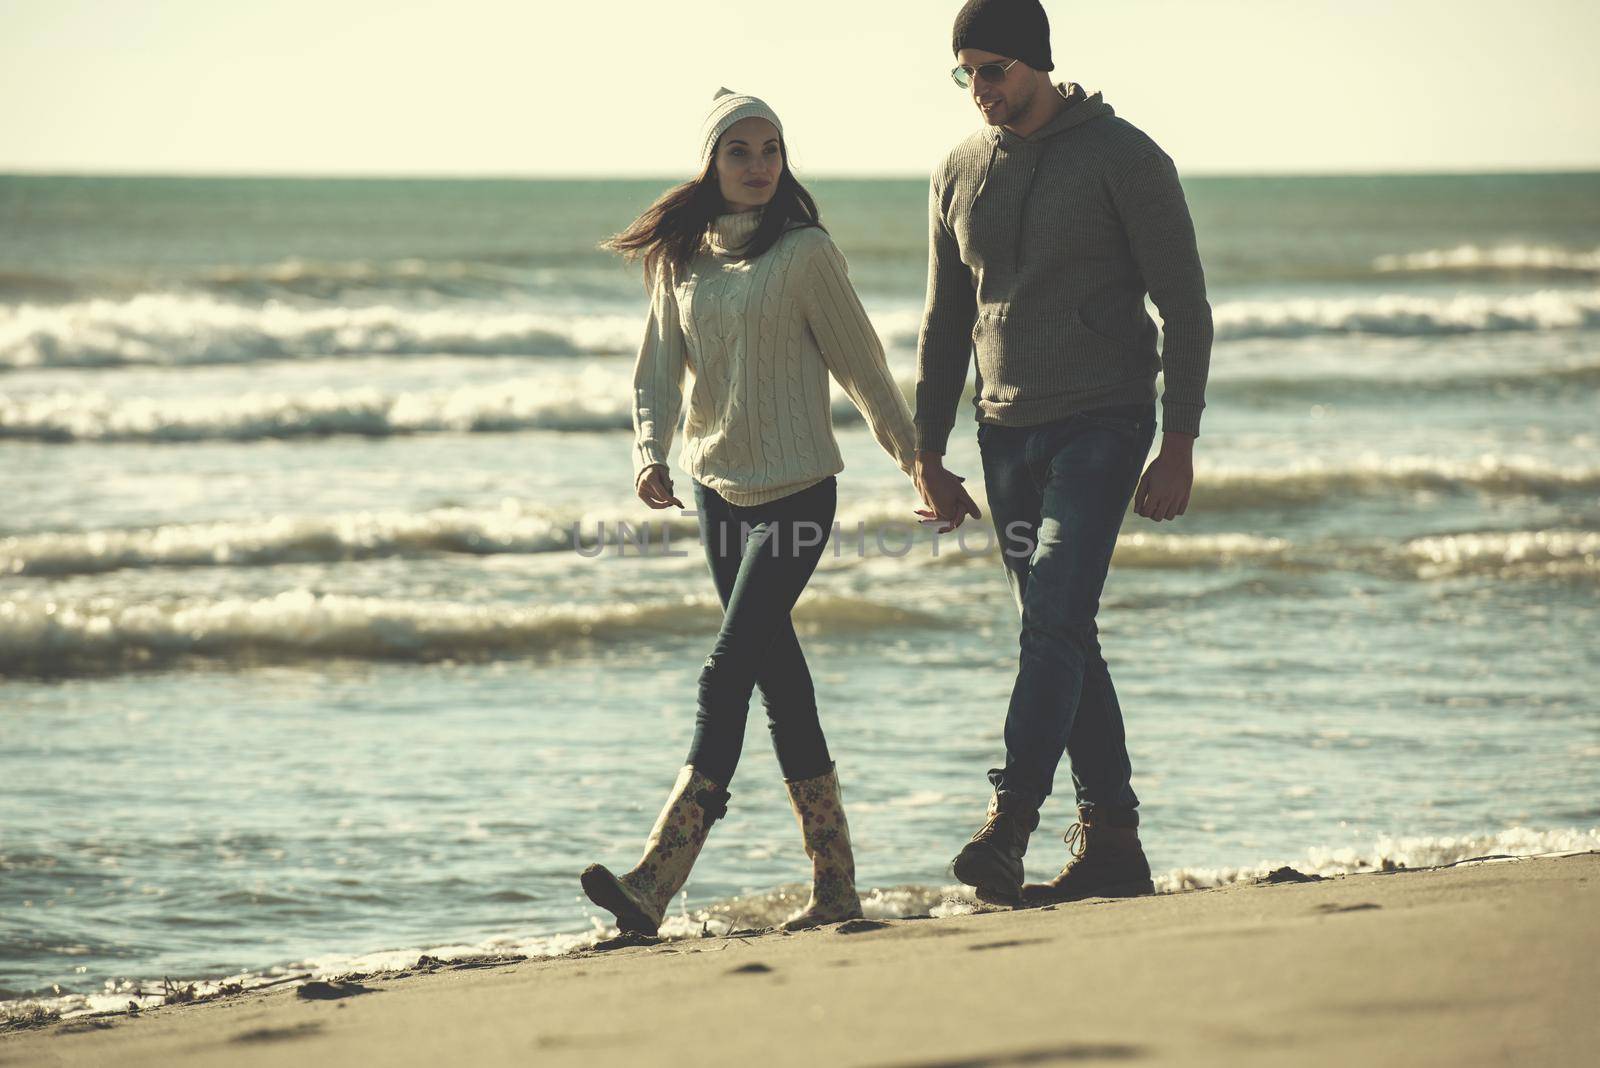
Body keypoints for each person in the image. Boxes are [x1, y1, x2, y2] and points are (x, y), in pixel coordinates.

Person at [581, 89, 919, 934]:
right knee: (781, 688)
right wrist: (649, 453)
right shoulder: (679, 261)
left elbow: (863, 367)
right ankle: (837, 888)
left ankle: (654, 880)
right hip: (717, 494)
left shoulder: (806, 254)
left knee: (724, 672)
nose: (760, 165)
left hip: (800, 492)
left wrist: (920, 464)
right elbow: (657, 369)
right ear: (712, 164)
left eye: (771, 149)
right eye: (741, 151)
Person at [911, 0, 1213, 905]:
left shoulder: (1125, 158)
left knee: (1049, 619)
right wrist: (926, 453)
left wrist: (1180, 442)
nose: (980, 91)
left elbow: (1186, 307)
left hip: (1104, 424)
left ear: (1039, 64)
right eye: (966, 73)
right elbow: (942, 324)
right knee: (1063, 628)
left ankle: (1011, 825)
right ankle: (1115, 842)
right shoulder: (957, 171)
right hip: (1002, 432)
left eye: (994, 71)